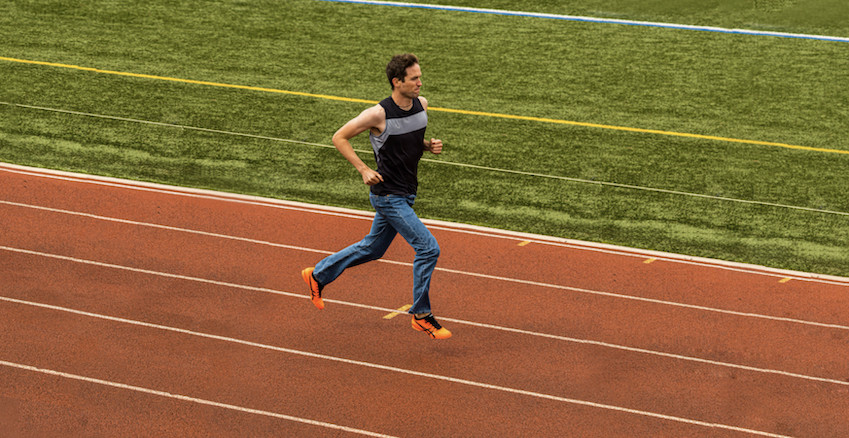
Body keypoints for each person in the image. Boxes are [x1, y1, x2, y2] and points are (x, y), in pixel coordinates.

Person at [300, 53, 451, 339]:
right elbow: (339, 137)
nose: (420, 83)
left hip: (407, 192)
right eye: (414, 78)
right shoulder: (377, 114)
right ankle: (421, 315)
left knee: (373, 248)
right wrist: (363, 169)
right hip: (388, 195)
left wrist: (426, 146)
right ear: (397, 82)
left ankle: (318, 275)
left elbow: (406, 141)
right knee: (428, 248)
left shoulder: (422, 105)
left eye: (420, 77)